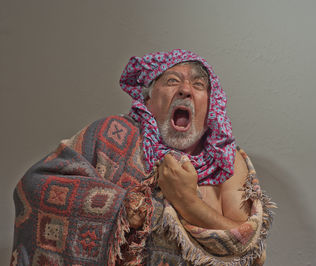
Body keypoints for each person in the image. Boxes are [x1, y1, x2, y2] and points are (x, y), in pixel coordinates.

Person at [10, 49, 276, 265]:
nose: (185, 90)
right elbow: (35, 186)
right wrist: (128, 208)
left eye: (198, 84)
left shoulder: (225, 161)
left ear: (211, 104)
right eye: (172, 81)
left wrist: (185, 201)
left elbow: (247, 249)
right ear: (148, 99)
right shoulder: (112, 136)